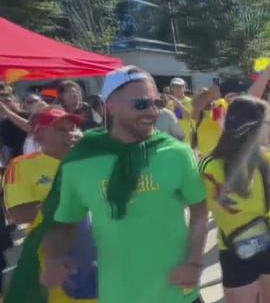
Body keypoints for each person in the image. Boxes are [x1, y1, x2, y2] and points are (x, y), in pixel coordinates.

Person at [36, 66, 207, 303]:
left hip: (178, 291)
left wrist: (195, 261)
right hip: (120, 293)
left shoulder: (177, 153)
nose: (152, 111)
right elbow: (64, 222)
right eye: (141, 104)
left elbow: (199, 207)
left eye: (156, 102)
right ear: (112, 105)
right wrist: (54, 257)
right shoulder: (81, 161)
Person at [199, 96, 270, 303]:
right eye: (267, 124)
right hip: (235, 249)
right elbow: (200, 215)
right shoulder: (210, 168)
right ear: (251, 128)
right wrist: (193, 259)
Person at [4, 107, 89, 303]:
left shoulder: (89, 162)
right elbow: (19, 213)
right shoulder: (21, 166)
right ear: (39, 133)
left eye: (73, 128)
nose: (71, 134)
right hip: (50, 257)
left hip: (94, 252)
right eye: (61, 130)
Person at [191, 85, 227, 157]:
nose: (206, 98)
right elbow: (194, 116)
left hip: (220, 150)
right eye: (202, 97)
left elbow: (220, 123)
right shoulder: (198, 113)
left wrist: (213, 94)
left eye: (207, 95)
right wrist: (205, 98)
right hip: (205, 153)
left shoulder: (218, 106)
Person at [166, 77, 194, 145]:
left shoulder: (190, 101)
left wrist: (179, 106)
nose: (177, 89)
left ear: (184, 88)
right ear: (172, 88)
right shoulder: (169, 103)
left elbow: (191, 117)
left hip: (186, 137)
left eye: (180, 86)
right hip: (172, 137)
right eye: (175, 87)